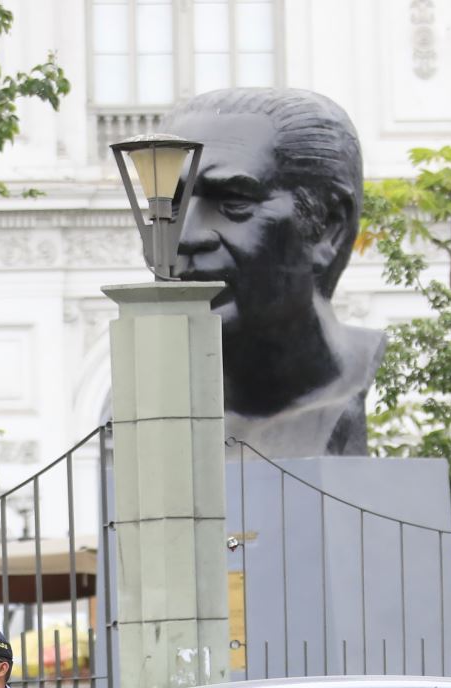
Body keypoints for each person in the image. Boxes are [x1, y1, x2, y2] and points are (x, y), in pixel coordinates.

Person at [162, 88, 386, 458]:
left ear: (329, 227)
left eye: (233, 203)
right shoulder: (141, 414)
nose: (183, 239)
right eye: (169, 206)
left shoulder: (340, 401)